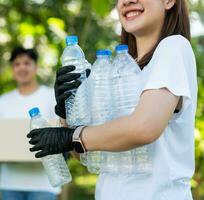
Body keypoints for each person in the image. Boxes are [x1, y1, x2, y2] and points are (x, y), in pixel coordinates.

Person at [28, 0, 197, 199]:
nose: (127, 1)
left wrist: (70, 137)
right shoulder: (118, 68)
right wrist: (67, 111)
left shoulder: (173, 46)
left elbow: (143, 128)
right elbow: (85, 154)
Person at [0, 47, 59, 200]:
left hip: (45, 183)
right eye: (17, 64)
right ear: (12, 69)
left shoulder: (51, 96)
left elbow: (60, 132)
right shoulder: (2, 101)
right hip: (10, 183)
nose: (22, 68)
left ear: (35, 67)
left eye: (26, 63)